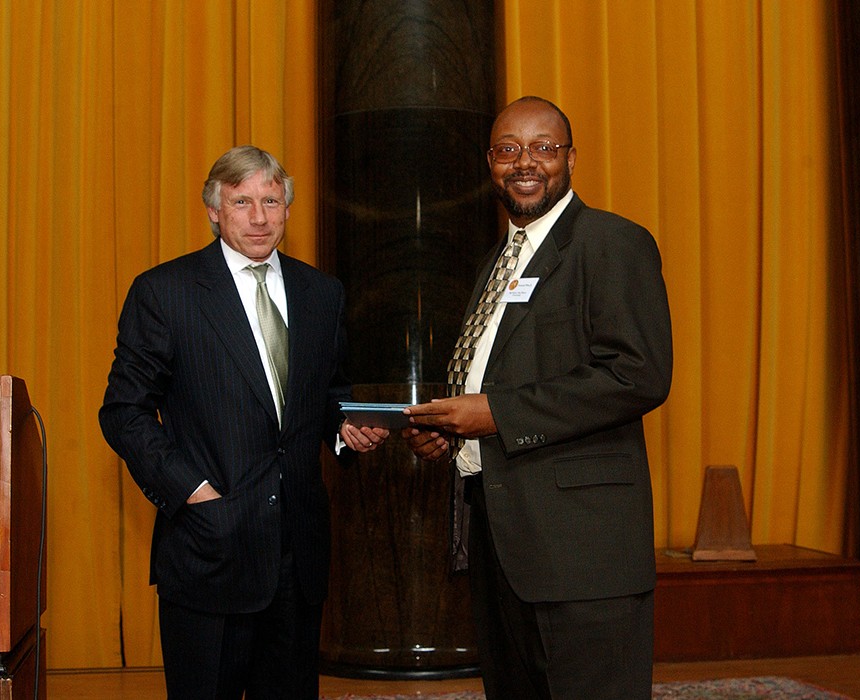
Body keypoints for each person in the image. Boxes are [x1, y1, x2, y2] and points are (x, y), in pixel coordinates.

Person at [403, 97, 672, 699]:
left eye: (543, 148)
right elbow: (492, 377)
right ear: (490, 163)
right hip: (502, 544)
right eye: (507, 149)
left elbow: (639, 372)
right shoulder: (502, 258)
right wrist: (449, 434)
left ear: (571, 159)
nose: (525, 162)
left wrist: (495, 414)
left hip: (582, 554)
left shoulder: (611, 242)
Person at [99, 145, 388, 699]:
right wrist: (192, 492)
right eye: (242, 202)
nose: (259, 217)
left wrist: (347, 431)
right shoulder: (165, 291)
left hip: (298, 556)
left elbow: (328, 395)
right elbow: (123, 411)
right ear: (214, 210)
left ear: (287, 208)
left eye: (271, 201)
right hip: (210, 548)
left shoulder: (322, 293)